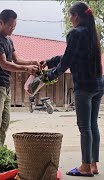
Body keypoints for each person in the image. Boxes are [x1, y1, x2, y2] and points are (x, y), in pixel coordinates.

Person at [41, 2, 103, 177]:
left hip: (84, 85)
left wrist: (47, 76)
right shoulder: (91, 32)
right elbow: (70, 56)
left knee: (85, 127)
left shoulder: (75, 33)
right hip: (98, 85)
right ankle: (93, 165)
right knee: (92, 125)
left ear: (75, 15)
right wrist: (49, 61)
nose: (69, 19)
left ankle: (84, 167)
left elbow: (67, 61)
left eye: (70, 15)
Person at [0, 9, 39, 162]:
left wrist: (32, 62)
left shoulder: (8, 40)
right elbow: (5, 64)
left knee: (4, 123)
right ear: (0, 22)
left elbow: (16, 59)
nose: (12, 29)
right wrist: (27, 69)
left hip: (6, 88)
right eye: (10, 26)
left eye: (14, 26)